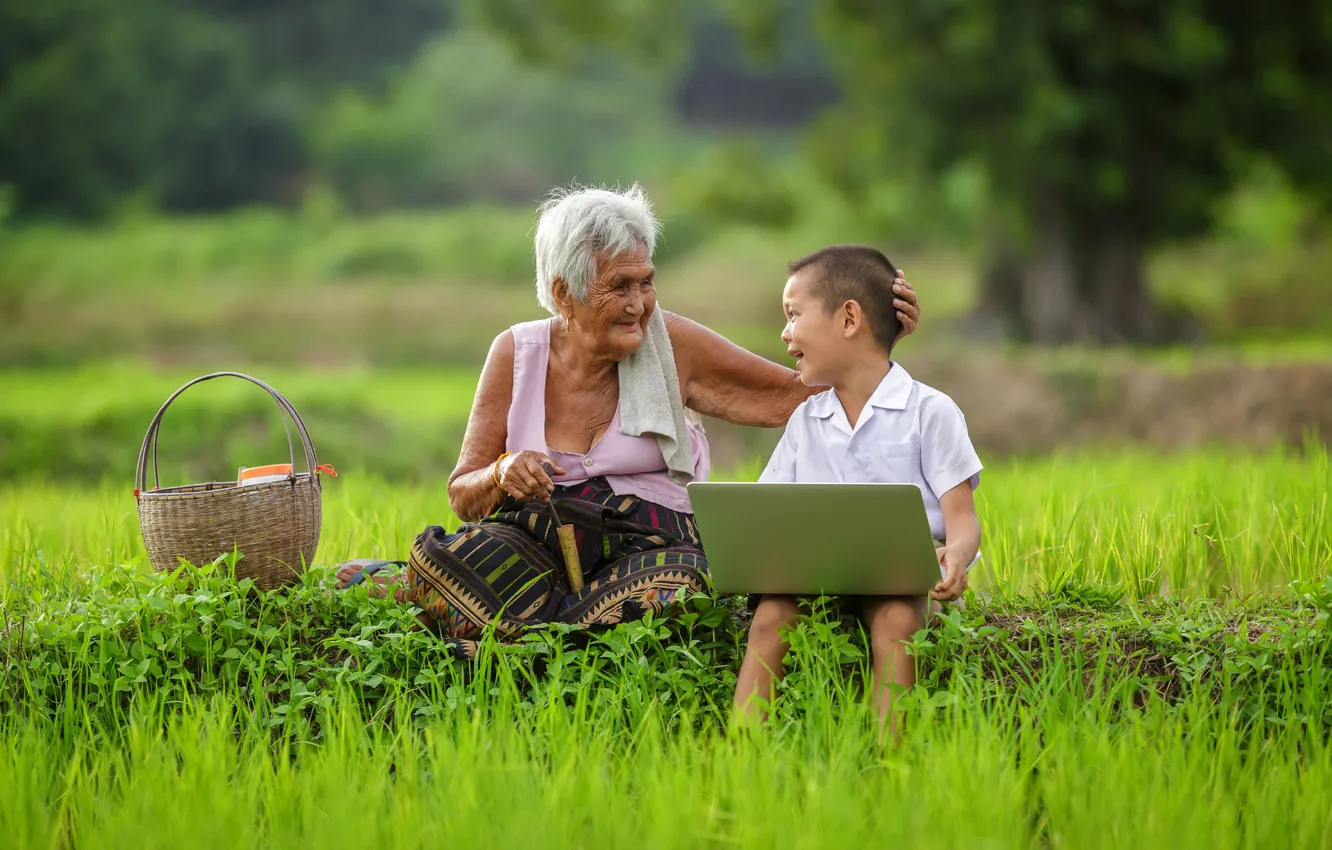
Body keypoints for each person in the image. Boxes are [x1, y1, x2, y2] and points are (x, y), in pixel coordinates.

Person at [334, 186, 924, 659]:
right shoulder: (515, 354)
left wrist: (872, 335)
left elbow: (795, 397)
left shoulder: (671, 345)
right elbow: (463, 494)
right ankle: (575, 633)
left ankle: (525, 639)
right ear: (565, 293)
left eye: (647, 282)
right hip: (537, 541)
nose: (640, 303)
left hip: (646, 545)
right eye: (620, 286)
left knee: (689, 581)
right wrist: (503, 472)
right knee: (454, 558)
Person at [732, 244, 982, 738]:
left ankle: (889, 760)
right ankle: (742, 754)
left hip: (903, 577)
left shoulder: (930, 411)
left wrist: (955, 558)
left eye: (793, 315)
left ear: (849, 319)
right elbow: (766, 507)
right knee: (771, 617)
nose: (784, 333)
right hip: (817, 573)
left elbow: (962, 517)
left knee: (894, 623)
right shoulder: (806, 419)